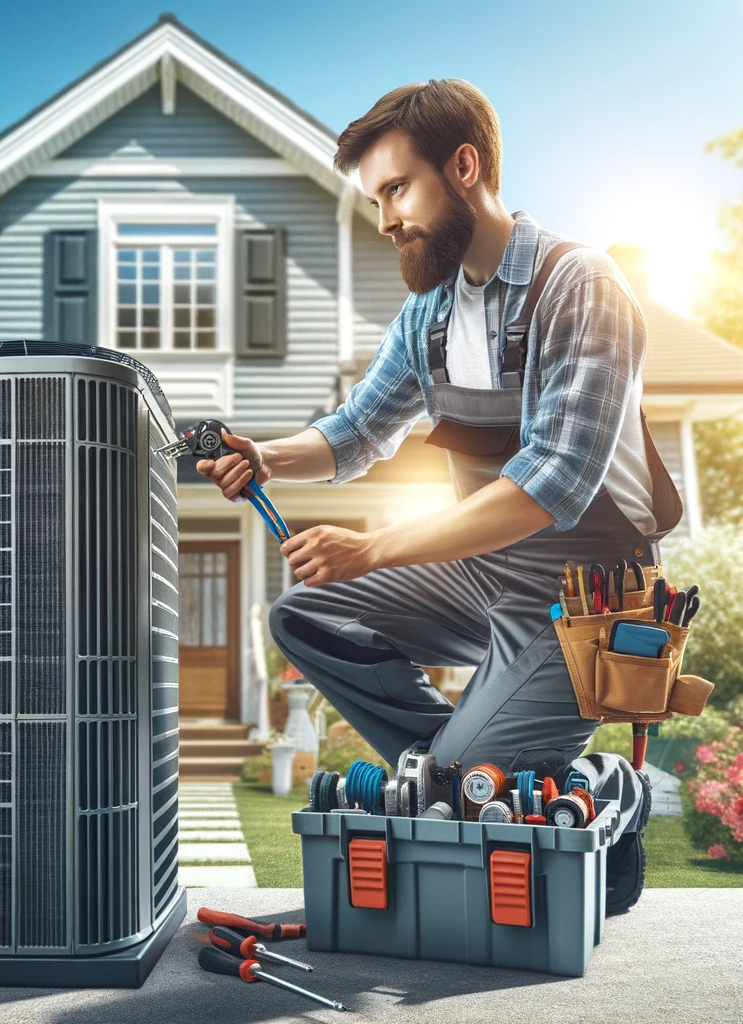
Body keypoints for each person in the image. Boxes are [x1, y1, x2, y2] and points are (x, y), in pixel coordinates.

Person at [195, 79, 683, 914]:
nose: (384, 219)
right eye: (376, 198)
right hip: (483, 575)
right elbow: (354, 432)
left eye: (396, 189)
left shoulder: (580, 286)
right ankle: (460, 768)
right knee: (304, 615)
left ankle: (605, 791)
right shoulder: (427, 320)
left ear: (464, 167)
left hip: (591, 601)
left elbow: (551, 486)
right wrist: (264, 455)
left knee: (465, 783)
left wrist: (372, 547)